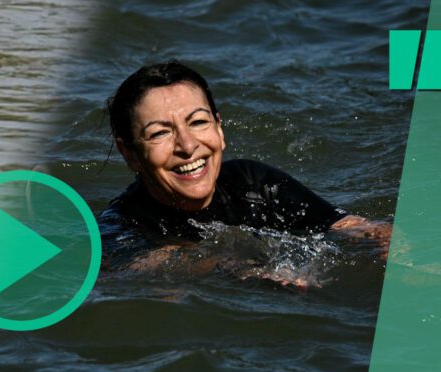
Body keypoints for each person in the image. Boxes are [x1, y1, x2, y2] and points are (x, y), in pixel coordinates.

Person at [100, 61, 391, 280]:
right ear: (130, 153)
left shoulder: (253, 184)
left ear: (219, 128)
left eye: (199, 122)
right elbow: (139, 265)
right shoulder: (121, 225)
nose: (188, 146)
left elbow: (348, 226)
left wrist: (389, 242)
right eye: (160, 133)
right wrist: (225, 263)